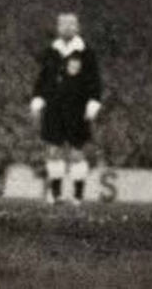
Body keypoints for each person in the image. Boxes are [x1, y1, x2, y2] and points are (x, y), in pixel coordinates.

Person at [31, 11, 104, 204]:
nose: (67, 27)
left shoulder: (86, 52)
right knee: (53, 150)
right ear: (58, 27)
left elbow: (94, 80)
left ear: (77, 28)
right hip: (53, 107)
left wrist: (93, 101)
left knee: (76, 151)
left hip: (77, 108)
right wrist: (38, 97)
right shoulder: (51, 51)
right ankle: (56, 194)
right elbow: (43, 78)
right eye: (63, 24)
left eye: (71, 24)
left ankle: (77, 196)